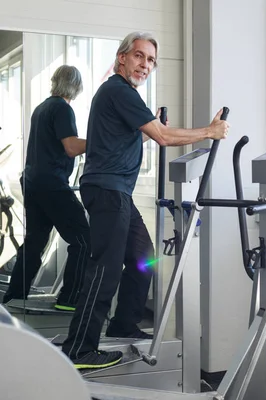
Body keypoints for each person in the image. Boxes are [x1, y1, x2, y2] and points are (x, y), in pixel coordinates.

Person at [60, 31, 229, 370]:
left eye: (151, 60)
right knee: (105, 271)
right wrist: (209, 133)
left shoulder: (123, 96)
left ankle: (124, 322)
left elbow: (150, 131)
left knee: (143, 258)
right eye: (139, 56)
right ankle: (79, 349)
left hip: (117, 191)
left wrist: (151, 124)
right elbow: (163, 137)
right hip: (109, 191)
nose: (145, 64)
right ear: (122, 58)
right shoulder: (118, 90)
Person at [2, 65, 89, 312]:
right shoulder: (62, 108)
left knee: (34, 242)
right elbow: (71, 147)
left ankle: (13, 297)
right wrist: (101, 141)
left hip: (32, 182)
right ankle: (69, 299)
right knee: (84, 240)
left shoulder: (42, 108)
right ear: (76, 87)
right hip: (52, 184)